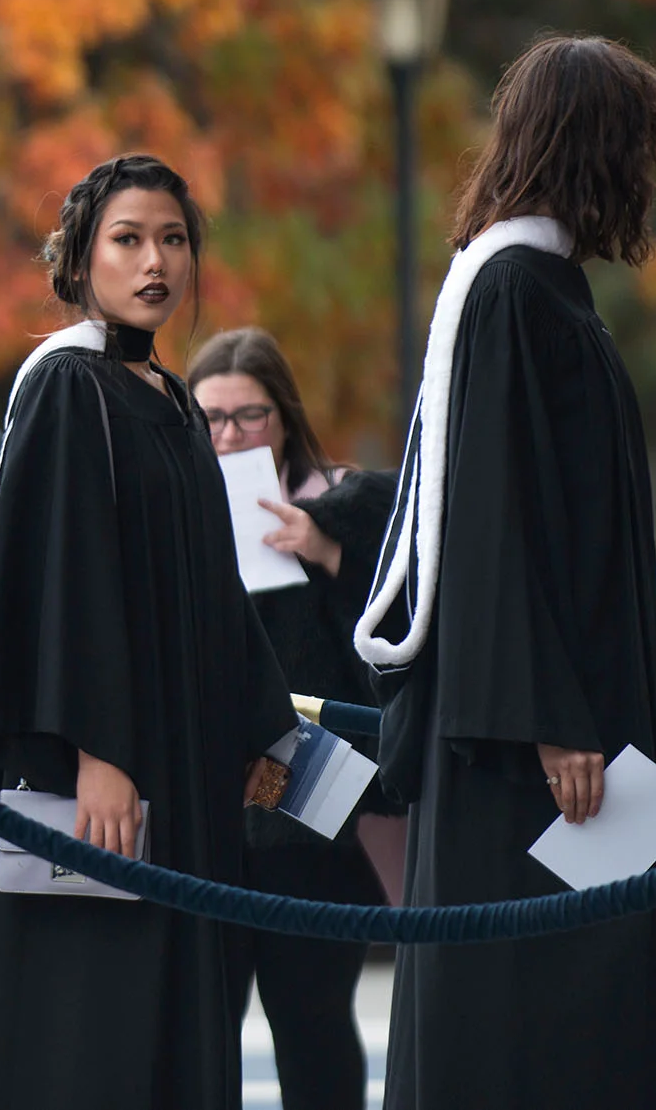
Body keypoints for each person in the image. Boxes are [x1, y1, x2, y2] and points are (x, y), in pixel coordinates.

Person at [352, 35, 656, 1110]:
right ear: (600, 147)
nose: (651, 171)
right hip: (540, 748)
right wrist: (554, 718)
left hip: (577, 716)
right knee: (540, 1018)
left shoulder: (538, 281)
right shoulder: (514, 290)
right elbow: (500, 525)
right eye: (641, 144)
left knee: (589, 1011)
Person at [0, 154, 296, 1110]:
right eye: (128, 239)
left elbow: (213, 585)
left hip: (178, 761)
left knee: (174, 1013)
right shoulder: (67, 388)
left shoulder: (169, 396)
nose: (155, 262)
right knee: (94, 1023)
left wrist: (264, 724)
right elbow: (60, 587)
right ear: (81, 257)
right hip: (105, 767)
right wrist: (99, 749)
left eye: (172, 239)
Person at [189, 326, 399, 1110]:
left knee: (310, 1018)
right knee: (201, 1023)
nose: (230, 434)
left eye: (250, 415)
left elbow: (394, 641)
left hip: (314, 805)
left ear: (284, 418)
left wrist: (325, 548)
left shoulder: (346, 502)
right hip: (202, 808)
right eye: (211, 417)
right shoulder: (169, 510)